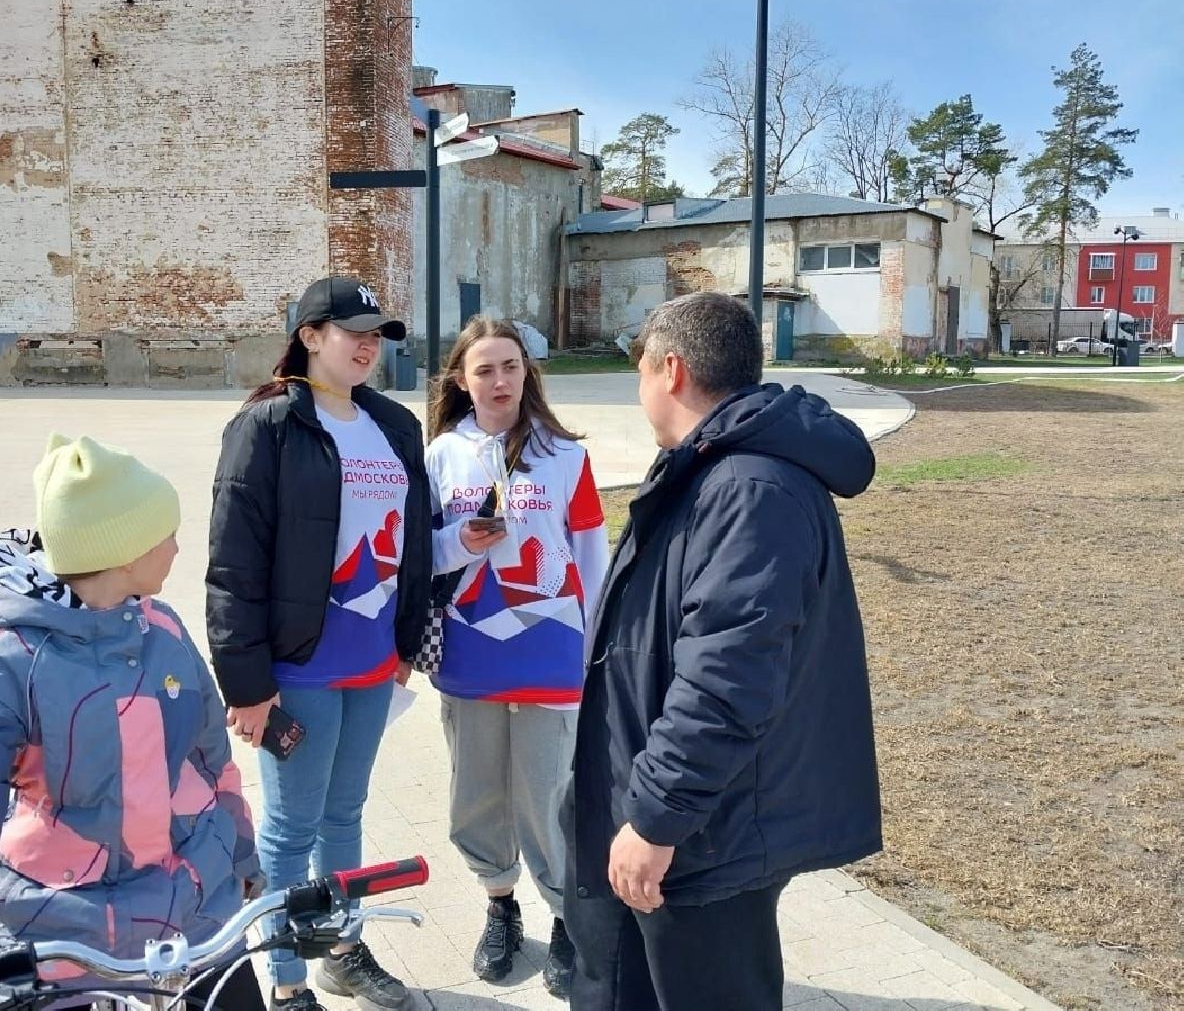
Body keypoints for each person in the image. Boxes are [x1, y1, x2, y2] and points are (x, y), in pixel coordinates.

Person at [565, 292, 883, 1011]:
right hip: (662, 815)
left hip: (705, 837)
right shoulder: (707, 466)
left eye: (639, 367)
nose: (637, 384)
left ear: (670, 369)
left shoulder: (751, 488)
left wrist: (656, 816)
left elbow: (728, 676)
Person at [0, 434, 265, 1009]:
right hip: (63, 940)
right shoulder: (10, 663)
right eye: (167, 534)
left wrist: (242, 858)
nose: (179, 548)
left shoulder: (165, 631)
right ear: (126, 550)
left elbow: (211, 765)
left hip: (196, 917)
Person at [206, 276, 431, 1011]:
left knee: (347, 811)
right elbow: (233, 562)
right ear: (308, 336)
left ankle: (341, 946)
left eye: (378, 334)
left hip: (371, 667)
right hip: (296, 669)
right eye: (352, 330)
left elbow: (415, 544)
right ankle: (287, 978)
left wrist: (407, 644)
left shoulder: (395, 425)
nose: (369, 345)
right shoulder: (266, 427)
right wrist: (246, 686)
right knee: (291, 823)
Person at [423, 318, 608, 999]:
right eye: (484, 370)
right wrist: (461, 544)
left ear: (528, 371)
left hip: (552, 655)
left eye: (510, 366)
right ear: (460, 380)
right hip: (470, 654)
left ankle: (565, 918)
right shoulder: (441, 455)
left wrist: (596, 649)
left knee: (547, 795)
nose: (500, 381)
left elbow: (592, 554)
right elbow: (426, 558)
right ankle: (500, 904)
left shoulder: (566, 456)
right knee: (477, 797)